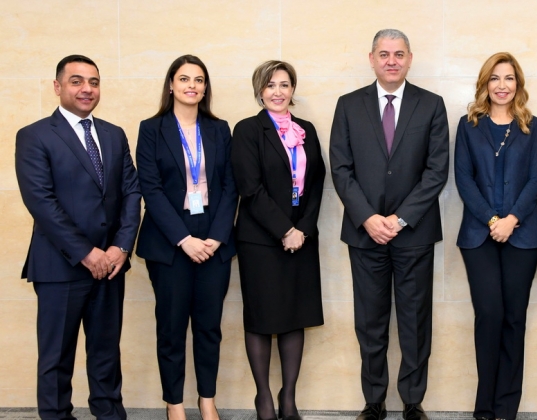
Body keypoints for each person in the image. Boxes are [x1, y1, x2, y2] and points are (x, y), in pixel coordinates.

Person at [330, 28, 449, 420]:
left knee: (415, 321)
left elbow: (436, 171)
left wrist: (399, 219)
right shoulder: (348, 105)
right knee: (370, 322)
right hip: (364, 234)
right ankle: (374, 401)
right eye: (384, 54)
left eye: (399, 54)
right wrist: (368, 217)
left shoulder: (431, 105)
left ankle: (413, 401)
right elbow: (341, 168)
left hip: (413, 233)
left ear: (410, 59)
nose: (392, 61)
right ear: (372, 59)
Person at [15, 54, 141, 420]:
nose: (87, 89)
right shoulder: (35, 135)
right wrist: (87, 253)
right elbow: (41, 202)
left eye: (94, 82)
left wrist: (120, 247)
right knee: (56, 357)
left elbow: (131, 192)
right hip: (60, 266)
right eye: (77, 81)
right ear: (58, 87)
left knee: (106, 354)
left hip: (111, 266)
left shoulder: (114, 134)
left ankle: (109, 413)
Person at [134, 54, 236, 420]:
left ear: (205, 88)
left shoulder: (220, 129)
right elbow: (151, 189)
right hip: (169, 239)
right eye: (184, 78)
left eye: (198, 80)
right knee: (172, 327)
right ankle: (174, 403)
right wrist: (183, 239)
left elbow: (230, 186)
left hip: (213, 237)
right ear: (171, 85)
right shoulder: (151, 128)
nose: (191, 85)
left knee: (209, 327)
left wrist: (218, 236)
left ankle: (207, 400)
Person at [232, 60, 326, 420]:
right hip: (261, 241)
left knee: (294, 316)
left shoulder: (307, 130)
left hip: (302, 238)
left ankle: (289, 397)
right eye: (270, 85)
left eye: (284, 84)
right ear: (260, 90)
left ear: (293, 89)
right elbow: (250, 188)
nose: (278, 92)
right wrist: (285, 230)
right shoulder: (247, 130)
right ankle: (264, 398)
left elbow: (317, 183)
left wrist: (303, 229)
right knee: (261, 317)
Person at [454, 52, 537, 420]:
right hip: (479, 235)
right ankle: (485, 406)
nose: (502, 85)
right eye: (495, 78)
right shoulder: (468, 126)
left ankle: (507, 407)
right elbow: (464, 179)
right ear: (485, 84)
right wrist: (493, 220)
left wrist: (512, 219)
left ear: (517, 84)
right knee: (489, 314)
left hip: (523, 237)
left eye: (508, 78)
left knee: (513, 318)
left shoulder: (532, 126)